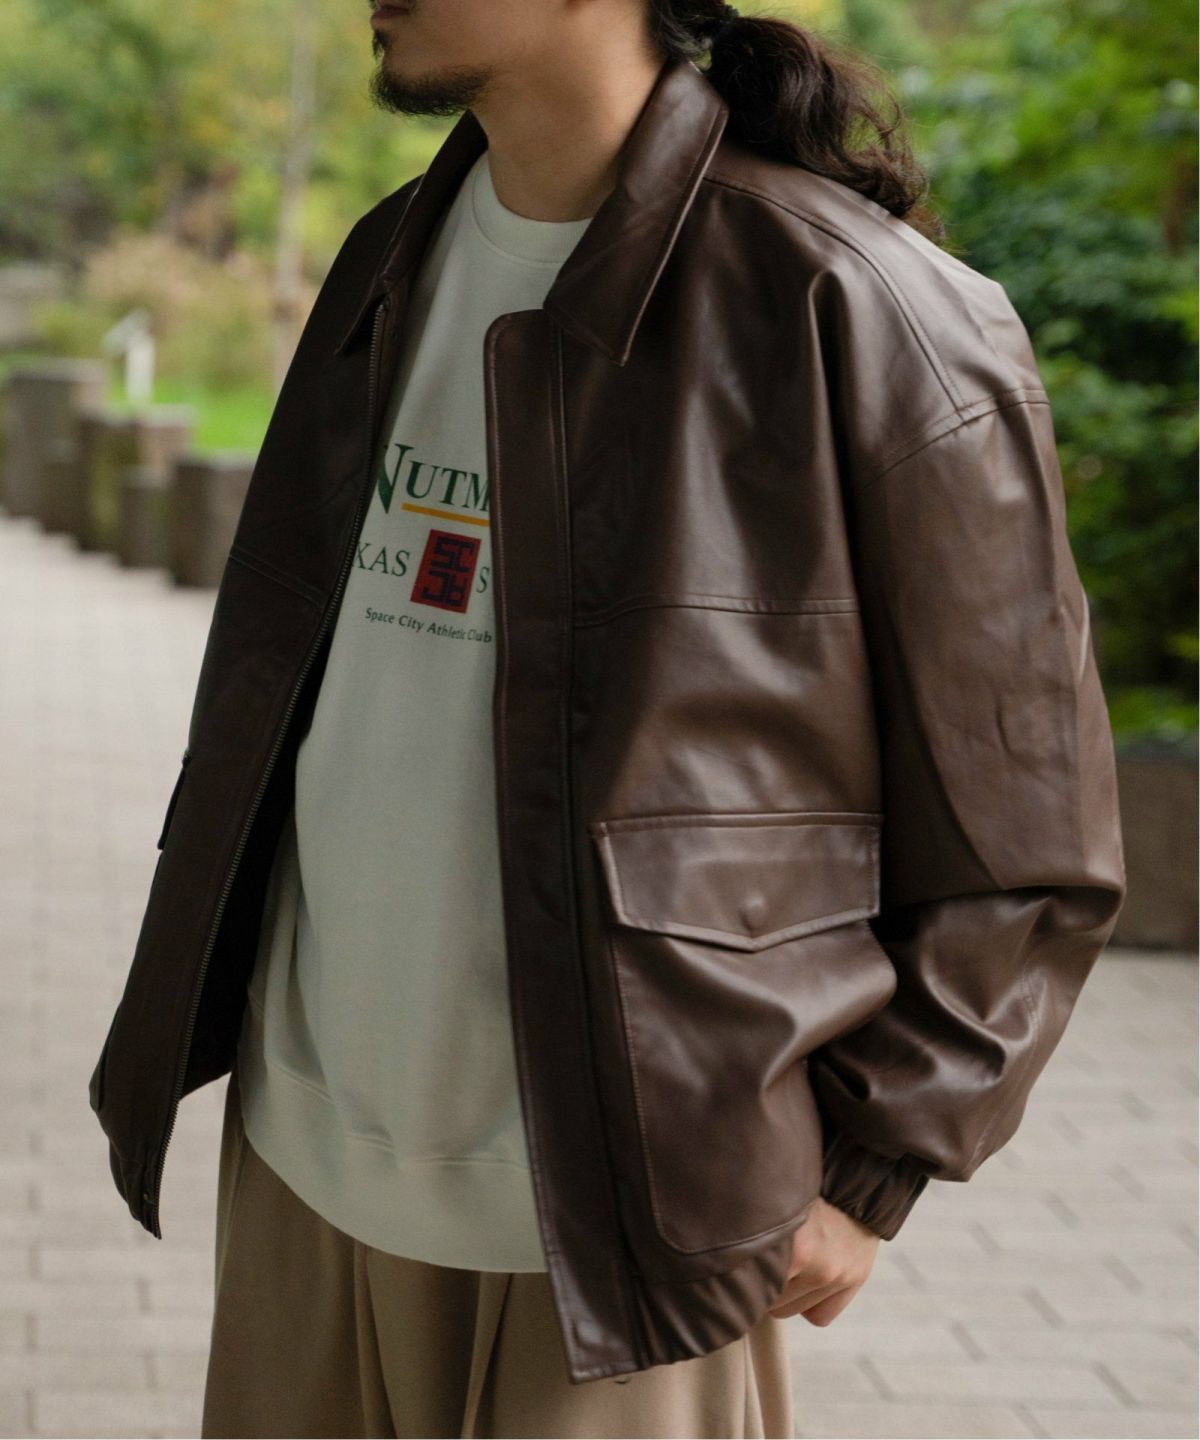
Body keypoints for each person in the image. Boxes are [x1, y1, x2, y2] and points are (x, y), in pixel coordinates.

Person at [87, 2, 1127, 1436]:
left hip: (621, 1234)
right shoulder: (389, 256)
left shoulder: (856, 304)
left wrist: (874, 1164)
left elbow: (1028, 812)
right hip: (303, 1166)